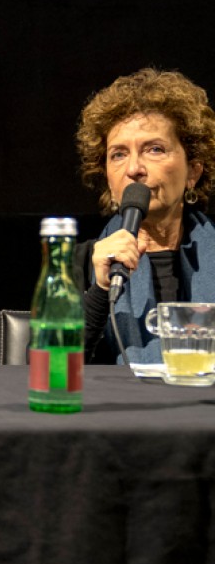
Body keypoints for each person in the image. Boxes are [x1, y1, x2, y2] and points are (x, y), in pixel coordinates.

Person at [76, 68, 215, 363]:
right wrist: (100, 290)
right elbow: (47, 368)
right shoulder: (82, 262)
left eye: (154, 149)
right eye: (118, 154)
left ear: (193, 172)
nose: (133, 169)